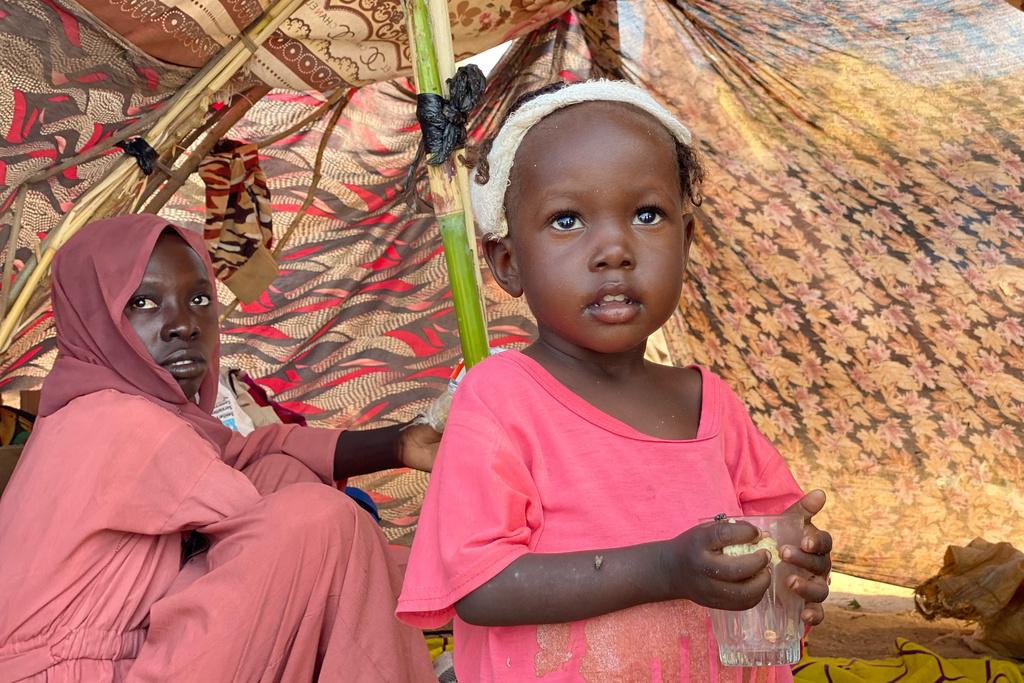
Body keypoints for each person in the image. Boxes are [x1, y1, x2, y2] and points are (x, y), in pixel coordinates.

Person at [396, 80, 833, 682]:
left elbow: (775, 536)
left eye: (646, 215)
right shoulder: (499, 399)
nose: (613, 250)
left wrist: (799, 562)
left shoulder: (711, 405)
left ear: (686, 241)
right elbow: (480, 586)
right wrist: (663, 572)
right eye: (567, 219)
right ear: (507, 262)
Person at [0, 214, 438, 682]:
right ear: (91, 317)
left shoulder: (95, 415)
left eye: (200, 299)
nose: (183, 325)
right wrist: (444, 567)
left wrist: (401, 443)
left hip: (101, 660)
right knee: (317, 520)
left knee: (279, 473)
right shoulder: (119, 422)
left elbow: (251, 452)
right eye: (143, 302)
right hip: (73, 671)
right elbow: (299, 545)